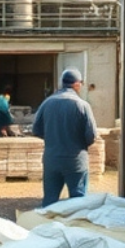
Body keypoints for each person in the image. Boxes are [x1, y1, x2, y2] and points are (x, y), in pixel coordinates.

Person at [31, 68, 99, 204]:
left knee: (50, 200)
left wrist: (53, 139)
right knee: (78, 201)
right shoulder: (82, 105)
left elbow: (36, 129)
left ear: (62, 83)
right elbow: (91, 135)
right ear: (77, 84)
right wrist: (79, 144)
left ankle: (48, 224)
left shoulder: (47, 103)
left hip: (52, 159)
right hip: (75, 160)